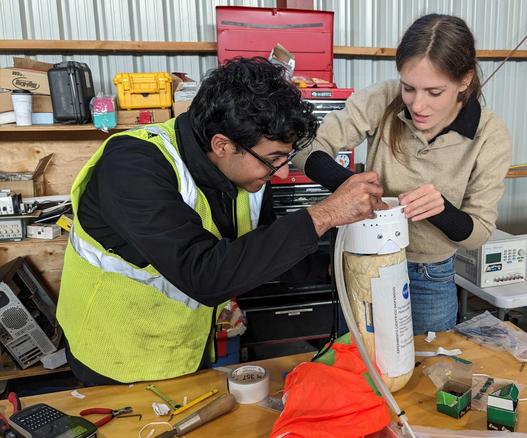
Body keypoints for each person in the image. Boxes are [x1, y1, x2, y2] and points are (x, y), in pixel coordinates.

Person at [56, 57, 384, 385]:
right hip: (115, 356)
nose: (282, 172)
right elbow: (204, 275)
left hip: (183, 346)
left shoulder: (247, 174)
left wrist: (338, 267)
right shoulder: (132, 167)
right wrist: (326, 213)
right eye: (273, 159)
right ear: (222, 145)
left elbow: (268, 250)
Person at [293, 14, 512, 334]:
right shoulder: (383, 98)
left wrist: (442, 210)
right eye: (409, 88)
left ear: (464, 81)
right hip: (366, 261)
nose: (418, 105)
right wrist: (350, 187)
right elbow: (305, 148)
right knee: (357, 364)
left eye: (434, 92)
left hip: (431, 275)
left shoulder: (490, 134)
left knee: (429, 370)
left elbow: (478, 232)